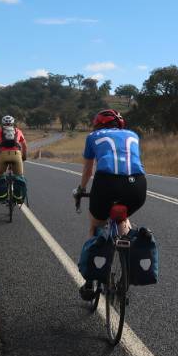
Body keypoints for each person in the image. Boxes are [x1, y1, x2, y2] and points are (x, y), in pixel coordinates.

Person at [73, 109, 146, 300]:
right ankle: (128, 257)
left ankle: (89, 281)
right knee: (123, 218)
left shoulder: (93, 137)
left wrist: (81, 190)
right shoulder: (133, 135)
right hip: (137, 185)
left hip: (106, 184)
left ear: (98, 125)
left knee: (95, 226)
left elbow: (88, 170)